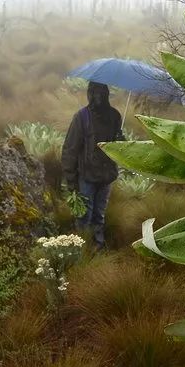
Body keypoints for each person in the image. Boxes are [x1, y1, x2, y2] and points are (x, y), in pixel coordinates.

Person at [61, 82, 124, 249]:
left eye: (101, 92)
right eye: (94, 92)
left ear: (107, 93)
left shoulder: (115, 116)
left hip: (106, 176)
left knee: (98, 215)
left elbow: (118, 147)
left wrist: (121, 140)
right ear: (89, 94)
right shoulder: (82, 117)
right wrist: (72, 181)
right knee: (84, 216)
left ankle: (98, 246)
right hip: (86, 176)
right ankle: (82, 248)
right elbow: (70, 150)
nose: (98, 96)